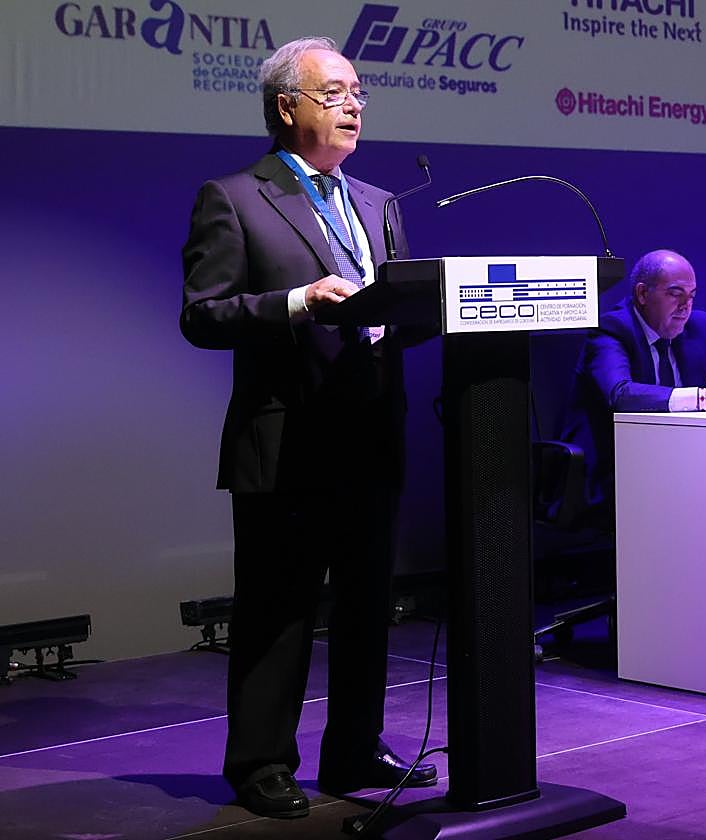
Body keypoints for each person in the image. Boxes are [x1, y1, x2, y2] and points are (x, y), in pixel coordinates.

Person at [180, 37, 435, 820]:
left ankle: (355, 745)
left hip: (371, 434)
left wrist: (427, 312)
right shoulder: (235, 197)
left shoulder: (380, 203)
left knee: (366, 605)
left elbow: (394, 312)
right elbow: (203, 315)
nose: (353, 105)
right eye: (334, 93)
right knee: (278, 610)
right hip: (286, 440)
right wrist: (297, 303)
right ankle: (260, 762)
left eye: (358, 93)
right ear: (287, 106)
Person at [560, 249, 706, 521]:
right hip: (618, 472)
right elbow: (620, 394)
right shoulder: (612, 329)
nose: (686, 306)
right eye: (675, 294)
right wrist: (703, 398)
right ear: (643, 294)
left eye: (692, 296)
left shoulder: (699, 325)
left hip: (683, 465)